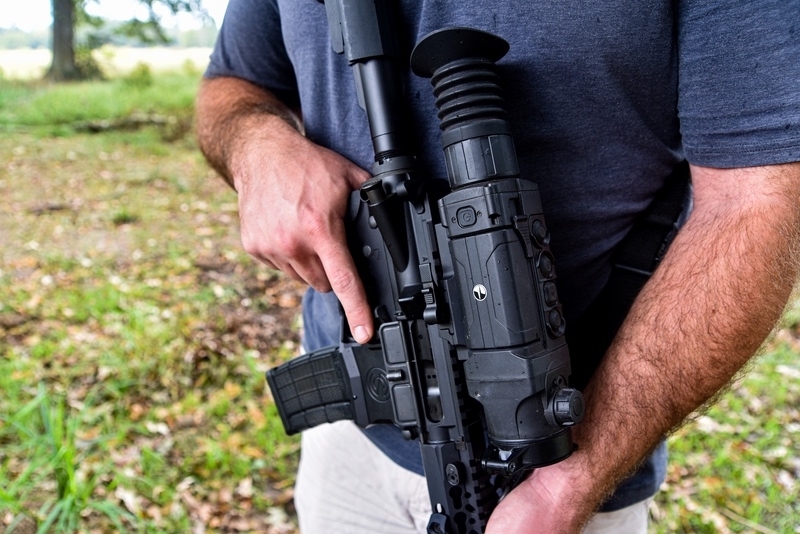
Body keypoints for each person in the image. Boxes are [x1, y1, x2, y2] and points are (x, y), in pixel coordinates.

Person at [196, 1, 800, 532]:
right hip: (354, 430)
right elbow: (232, 86)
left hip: (563, 474)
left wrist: (568, 489)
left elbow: (756, 209)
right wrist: (259, 149)